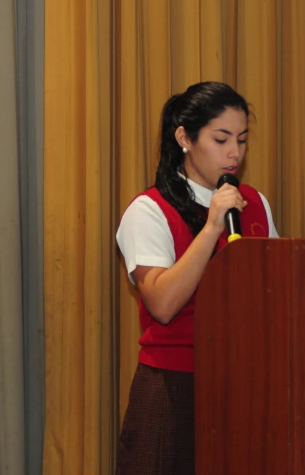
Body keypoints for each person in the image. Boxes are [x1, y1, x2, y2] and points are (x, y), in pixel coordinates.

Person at [115, 81, 279, 475]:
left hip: (245, 379)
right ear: (185, 138)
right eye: (221, 139)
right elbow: (163, 305)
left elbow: (278, 288)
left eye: (241, 140)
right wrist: (211, 229)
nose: (234, 153)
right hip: (174, 384)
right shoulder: (149, 210)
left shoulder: (254, 202)